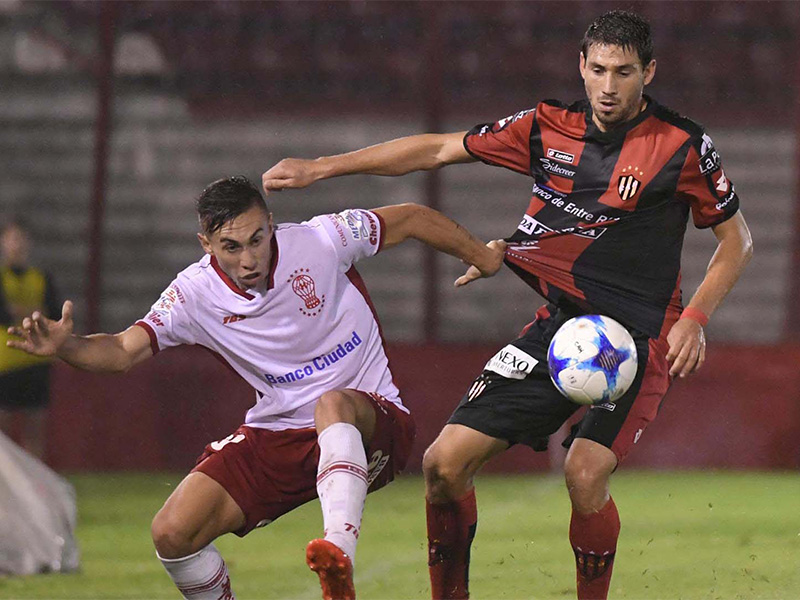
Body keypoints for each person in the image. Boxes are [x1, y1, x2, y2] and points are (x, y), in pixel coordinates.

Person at [261, 10, 754, 600]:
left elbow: (737, 239)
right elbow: (440, 149)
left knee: (584, 473)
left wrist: (695, 319)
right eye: (597, 69)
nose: (608, 86)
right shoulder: (548, 126)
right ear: (581, 65)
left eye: (624, 72)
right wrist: (324, 167)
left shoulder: (682, 145)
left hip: (637, 340)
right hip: (560, 328)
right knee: (443, 464)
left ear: (649, 72)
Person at [7, 176, 504, 600]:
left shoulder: (321, 240)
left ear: (270, 222)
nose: (249, 258)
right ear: (205, 244)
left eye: (257, 238)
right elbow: (120, 351)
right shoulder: (192, 294)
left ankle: (338, 552)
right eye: (231, 246)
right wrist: (66, 346)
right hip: (282, 432)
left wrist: (481, 255)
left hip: (374, 422)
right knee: (173, 532)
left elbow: (412, 217)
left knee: (331, 404)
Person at [0, 218, 60, 460]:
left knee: (34, 430)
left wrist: (19, 310)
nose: (17, 244)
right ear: (4, 242)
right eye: (12, 238)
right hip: (4, 362)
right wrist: (34, 310)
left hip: (36, 360)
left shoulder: (42, 277)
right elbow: (5, 315)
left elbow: (54, 314)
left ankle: (34, 490)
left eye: (21, 238)